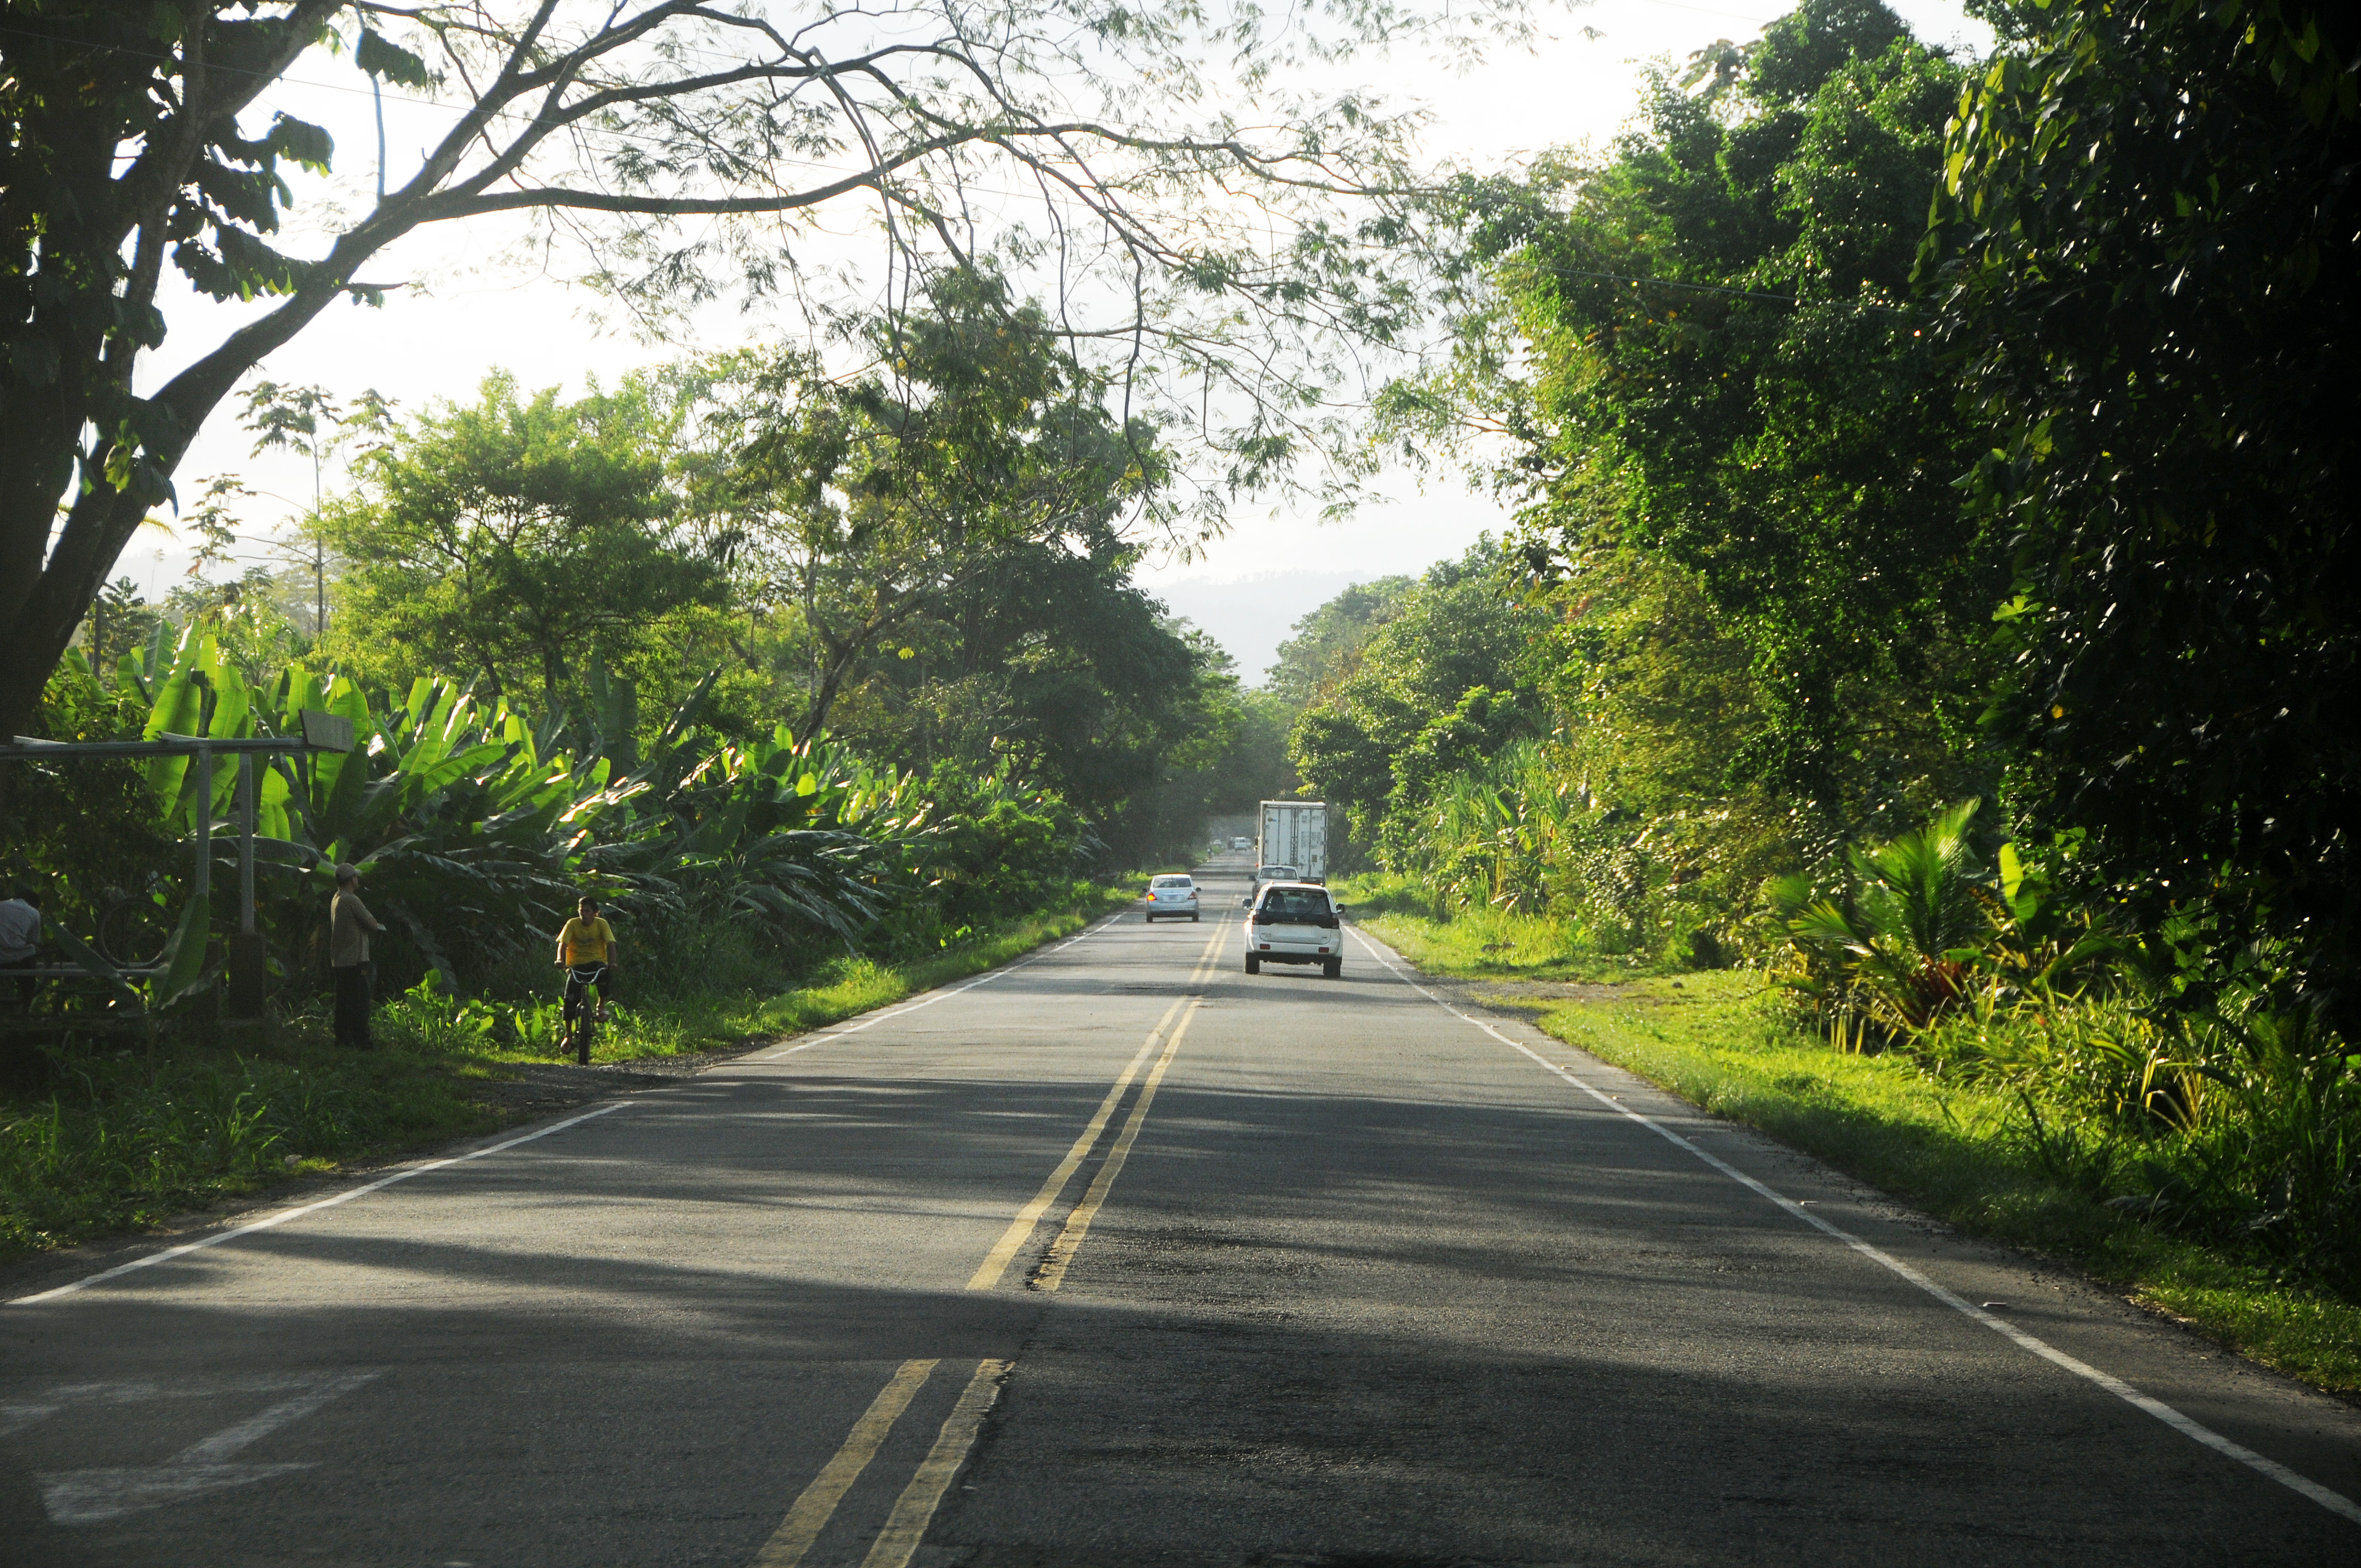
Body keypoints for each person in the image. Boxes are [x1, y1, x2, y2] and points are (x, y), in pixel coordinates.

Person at [554, 896, 619, 1060]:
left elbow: (611, 944)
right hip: (576, 965)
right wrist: (560, 960)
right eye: (581, 911)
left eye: (588, 911)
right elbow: (563, 944)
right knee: (569, 998)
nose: (584, 914)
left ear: (595, 913)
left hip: (596, 962)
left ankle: (601, 1007)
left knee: (604, 976)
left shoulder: (602, 925)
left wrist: (612, 963)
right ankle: (568, 1036)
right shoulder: (572, 924)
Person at [329, 864, 383, 1049]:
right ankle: (362, 1041)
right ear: (351, 880)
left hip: (340, 959)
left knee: (343, 1002)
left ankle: (343, 1039)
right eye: (356, 877)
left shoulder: (337, 898)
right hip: (355, 960)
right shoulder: (352, 900)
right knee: (360, 1002)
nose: (357, 880)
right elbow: (373, 924)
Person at [0, 886, 41, 1009]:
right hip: (18, 958)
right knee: (31, 954)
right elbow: (34, 941)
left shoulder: (2, 905)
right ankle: (26, 1010)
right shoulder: (34, 913)